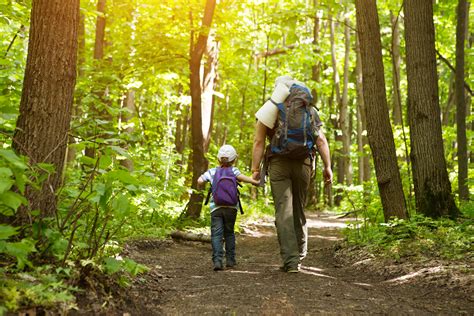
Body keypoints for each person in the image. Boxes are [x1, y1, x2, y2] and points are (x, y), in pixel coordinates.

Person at [251, 76, 333, 273]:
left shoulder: (270, 109)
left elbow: (259, 141)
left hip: (279, 164)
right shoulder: (310, 110)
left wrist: (255, 169)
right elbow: (320, 140)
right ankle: (301, 253)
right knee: (298, 209)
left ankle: (291, 261)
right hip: (304, 163)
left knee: (283, 211)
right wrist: (327, 166)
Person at [198, 144, 259, 271]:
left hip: (216, 208)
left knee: (216, 235)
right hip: (232, 208)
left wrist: (205, 182)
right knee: (229, 233)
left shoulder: (213, 171)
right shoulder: (234, 171)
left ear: (218, 159)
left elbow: (200, 180)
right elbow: (245, 179)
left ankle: (217, 261)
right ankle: (230, 260)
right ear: (234, 160)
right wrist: (255, 181)